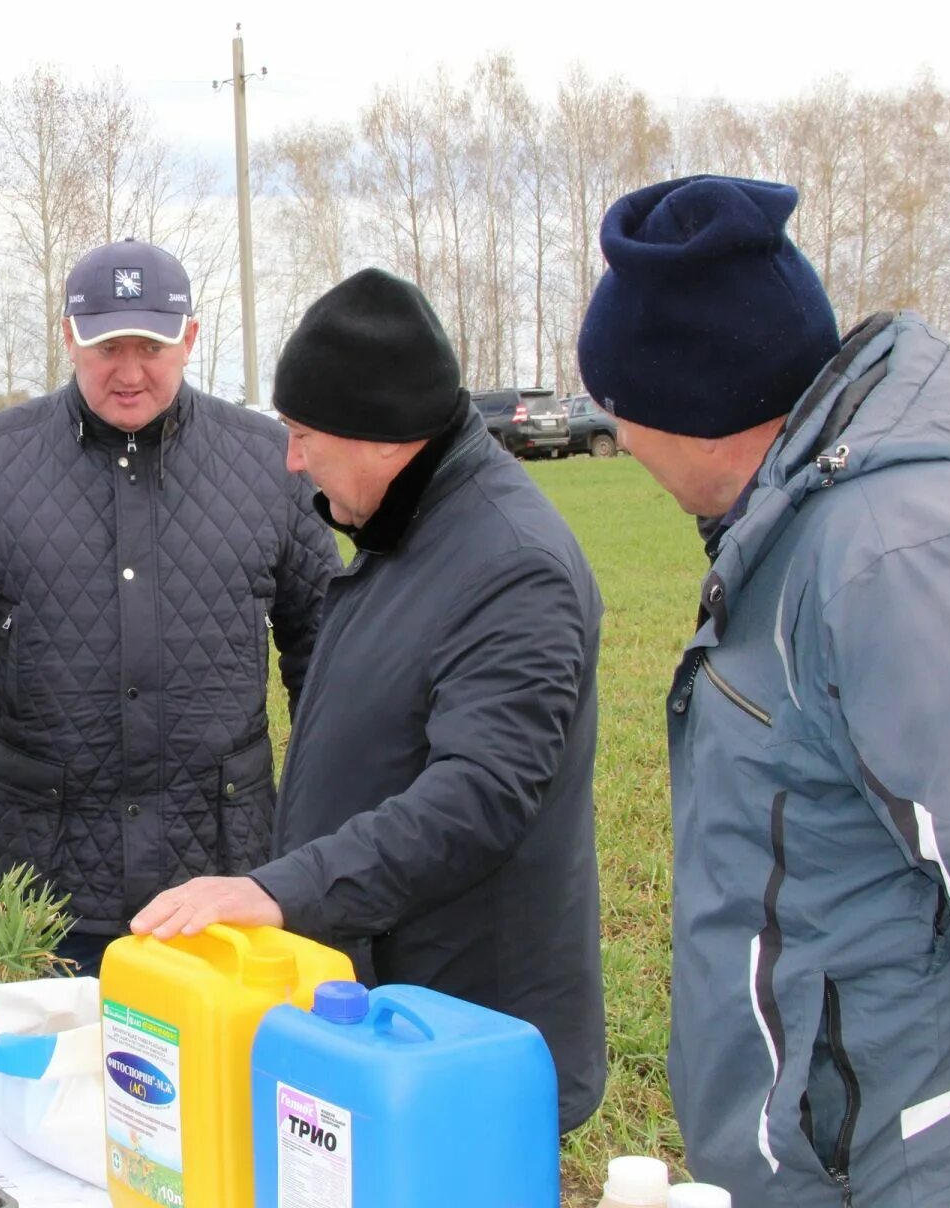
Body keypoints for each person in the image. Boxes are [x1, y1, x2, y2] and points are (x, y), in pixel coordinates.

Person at [576, 175, 950, 1203]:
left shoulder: (886, 555)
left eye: (626, 414)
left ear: (705, 412)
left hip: (901, 1167)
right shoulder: (795, 523)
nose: (620, 443)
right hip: (823, 1153)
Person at [132, 268, 608, 1133]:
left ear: (383, 435)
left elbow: (477, 799)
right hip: (388, 1017)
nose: (292, 460)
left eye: (304, 433)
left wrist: (283, 890)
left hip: (463, 1039)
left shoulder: (510, 564)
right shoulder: (407, 529)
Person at [0, 238, 343, 974]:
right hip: (43, 868)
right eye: (106, 345)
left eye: (151, 345)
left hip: (219, 870)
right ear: (68, 338)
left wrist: (341, 787)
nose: (129, 370)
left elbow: (323, 640)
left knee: (211, 1076)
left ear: (191, 339)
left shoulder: (268, 461)